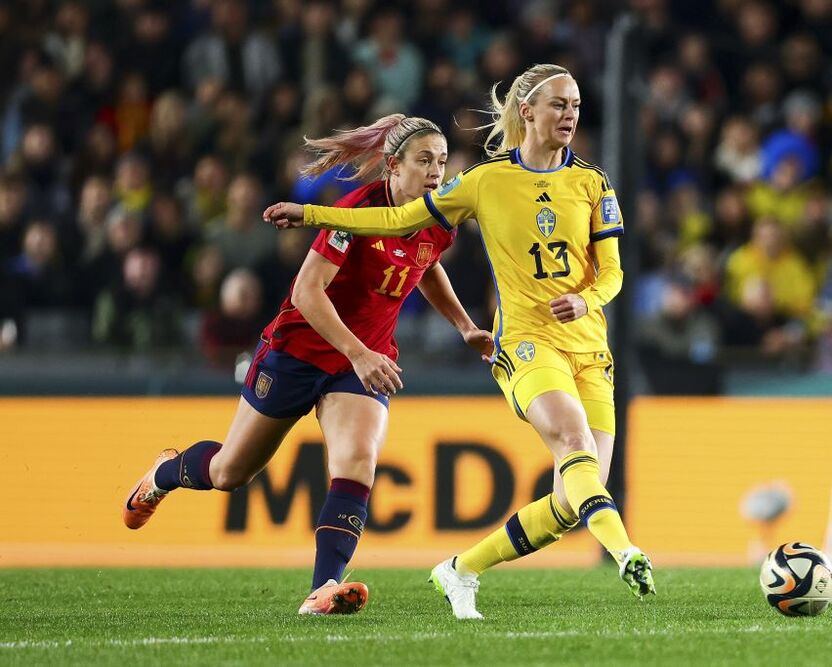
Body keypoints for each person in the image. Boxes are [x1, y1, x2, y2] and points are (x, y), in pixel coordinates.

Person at [264, 64, 656, 620]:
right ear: (528, 112)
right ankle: (627, 552)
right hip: (525, 343)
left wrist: (588, 301)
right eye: (559, 105)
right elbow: (399, 221)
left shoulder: (594, 183)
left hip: (591, 349)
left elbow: (613, 273)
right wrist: (310, 213)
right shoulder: (484, 181)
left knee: (573, 501)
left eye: (575, 105)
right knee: (574, 443)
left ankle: (460, 569)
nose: (570, 115)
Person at [122, 114, 492, 616]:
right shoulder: (356, 210)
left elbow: (426, 266)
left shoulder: (437, 217)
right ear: (391, 166)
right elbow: (306, 292)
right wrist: (358, 352)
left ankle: (323, 590)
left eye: (442, 162)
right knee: (230, 472)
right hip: (299, 351)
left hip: (362, 365)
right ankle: (164, 474)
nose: (436, 173)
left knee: (357, 462)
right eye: (424, 161)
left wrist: (464, 325)